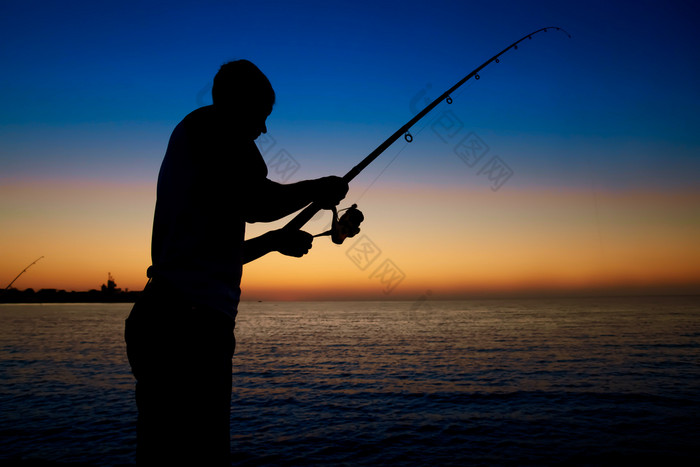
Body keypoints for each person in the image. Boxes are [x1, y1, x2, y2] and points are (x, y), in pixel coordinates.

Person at [124, 60, 348, 465]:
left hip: (165, 314)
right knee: (202, 454)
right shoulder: (214, 131)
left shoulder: (194, 141)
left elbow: (214, 252)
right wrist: (318, 188)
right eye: (262, 115)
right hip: (189, 327)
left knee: (162, 451)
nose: (264, 129)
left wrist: (272, 242)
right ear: (237, 104)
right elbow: (257, 201)